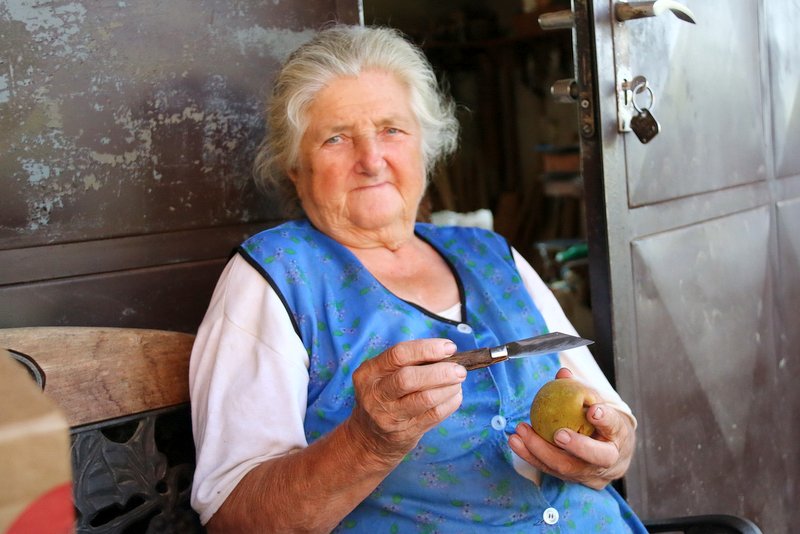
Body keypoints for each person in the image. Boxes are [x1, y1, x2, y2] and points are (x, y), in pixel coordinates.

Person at [189, 24, 646, 533]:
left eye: (391, 130)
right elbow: (235, 520)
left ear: (425, 148)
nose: (370, 160)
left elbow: (612, 423)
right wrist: (366, 443)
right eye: (336, 138)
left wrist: (609, 450)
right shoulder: (273, 278)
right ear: (295, 168)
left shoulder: (491, 254)